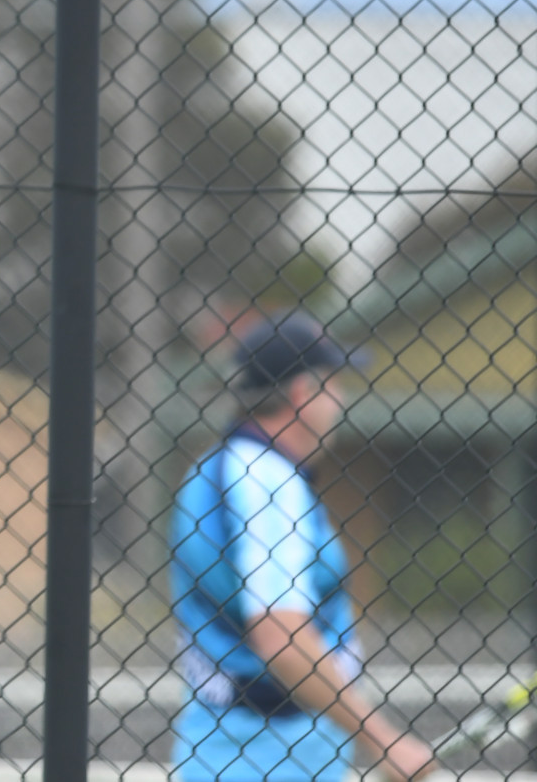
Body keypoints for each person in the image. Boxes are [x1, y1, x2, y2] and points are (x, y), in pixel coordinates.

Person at [170, 312, 436, 782]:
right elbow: (280, 635)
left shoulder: (212, 468)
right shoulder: (268, 481)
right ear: (302, 394)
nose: (341, 399)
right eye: (333, 384)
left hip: (225, 750)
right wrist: (384, 741)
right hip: (271, 760)